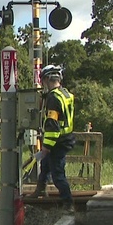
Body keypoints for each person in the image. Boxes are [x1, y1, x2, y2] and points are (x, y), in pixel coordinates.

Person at [30, 64, 76, 212]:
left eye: (43, 81)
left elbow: (52, 125)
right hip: (66, 137)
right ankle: (40, 190)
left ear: (48, 80)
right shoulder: (65, 94)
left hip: (58, 141)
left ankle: (68, 203)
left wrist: (46, 147)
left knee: (57, 173)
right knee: (45, 166)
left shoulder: (53, 98)